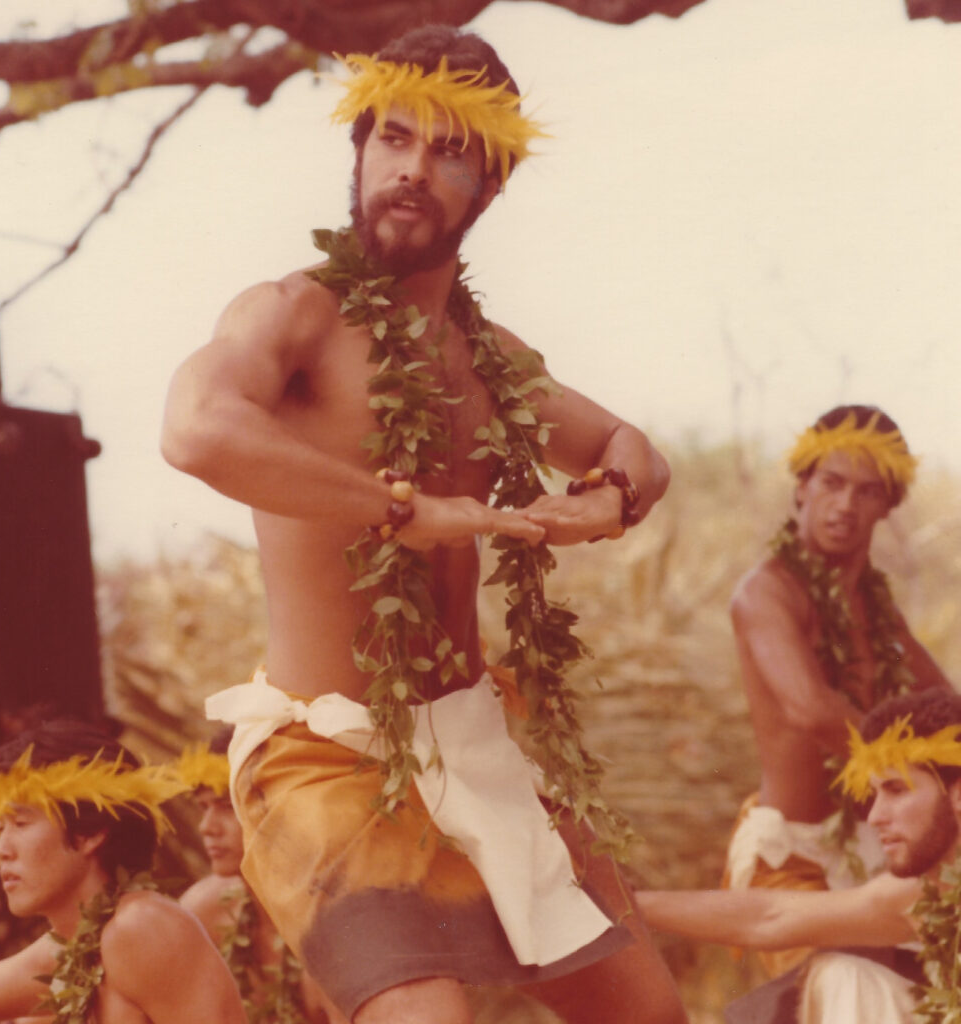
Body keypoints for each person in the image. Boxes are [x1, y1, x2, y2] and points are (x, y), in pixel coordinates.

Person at [161, 23, 683, 1024]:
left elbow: (631, 445)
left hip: (477, 743)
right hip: (330, 758)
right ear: (356, 153)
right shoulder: (294, 316)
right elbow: (194, 430)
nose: (412, 168)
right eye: (393, 138)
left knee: (650, 1015)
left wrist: (601, 503)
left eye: (449, 150)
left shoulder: (490, 362)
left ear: (489, 187)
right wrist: (402, 508)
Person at [725, 404, 952, 975]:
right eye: (832, 483)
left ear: (889, 503)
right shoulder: (767, 594)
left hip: (875, 853)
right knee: (831, 992)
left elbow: (945, 709)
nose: (846, 506)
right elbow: (812, 710)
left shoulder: (878, 614)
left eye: (867, 491)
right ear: (802, 486)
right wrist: (922, 784)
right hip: (792, 856)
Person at [638, 687, 961, 1024]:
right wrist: (628, 904)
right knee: (845, 976)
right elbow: (770, 916)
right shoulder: (922, 893)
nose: (876, 815)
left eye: (896, 790)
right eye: (876, 793)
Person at [0, 718, 247, 1024]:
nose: (1, 848)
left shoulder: (139, 927)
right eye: (0, 827)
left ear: (91, 833)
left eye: (21, 824)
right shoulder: (73, 945)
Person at [174, 733, 321, 1024]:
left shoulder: (327, 914)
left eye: (226, 807)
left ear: (276, 808)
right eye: (203, 808)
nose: (207, 827)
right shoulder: (203, 910)